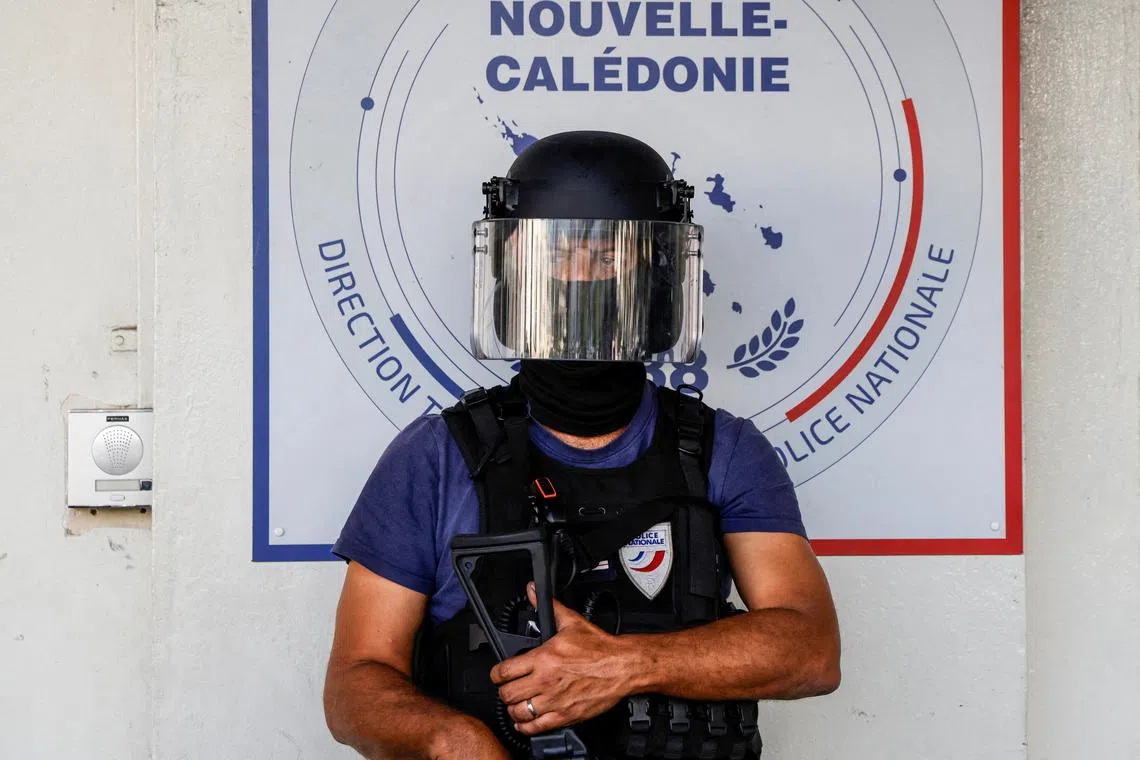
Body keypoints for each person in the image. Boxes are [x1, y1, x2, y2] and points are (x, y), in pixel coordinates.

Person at [323, 131, 841, 760]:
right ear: (514, 271)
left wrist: (624, 665)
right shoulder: (436, 457)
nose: (581, 278)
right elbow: (355, 683)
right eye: (557, 254)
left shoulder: (721, 450)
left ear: (657, 276)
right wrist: (449, 738)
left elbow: (811, 651)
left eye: (608, 257)